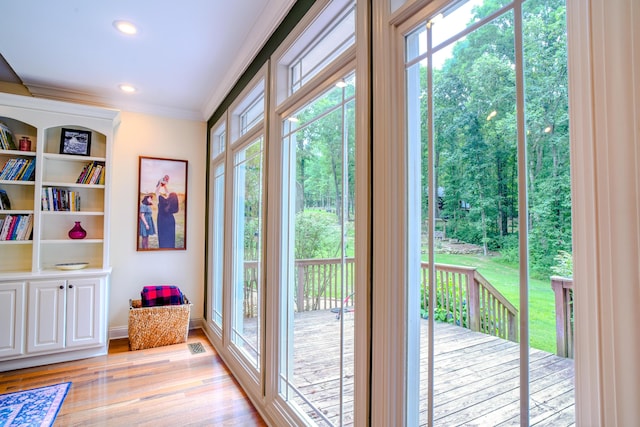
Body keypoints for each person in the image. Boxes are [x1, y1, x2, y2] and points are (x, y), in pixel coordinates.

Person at [156, 175, 179, 248]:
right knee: (170, 237)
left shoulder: (163, 201)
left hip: (162, 221)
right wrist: (165, 186)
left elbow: (156, 192)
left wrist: (160, 184)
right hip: (170, 220)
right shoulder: (173, 204)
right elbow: (168, 194)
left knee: (163, 237)